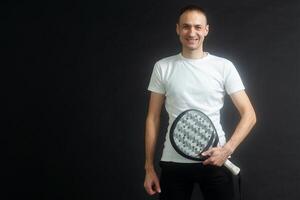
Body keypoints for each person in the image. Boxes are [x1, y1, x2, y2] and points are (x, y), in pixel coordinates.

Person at [143, 4, 257, 200]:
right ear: (178, 29)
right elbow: (152, 119)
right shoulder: (162, 67)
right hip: (173, 163)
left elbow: (249, 114)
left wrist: (226, 150)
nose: (192, 32)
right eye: (186, 26)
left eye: (197, 27)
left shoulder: (223, 67)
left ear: (206, 30)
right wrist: (149, 167)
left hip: (215, 160)